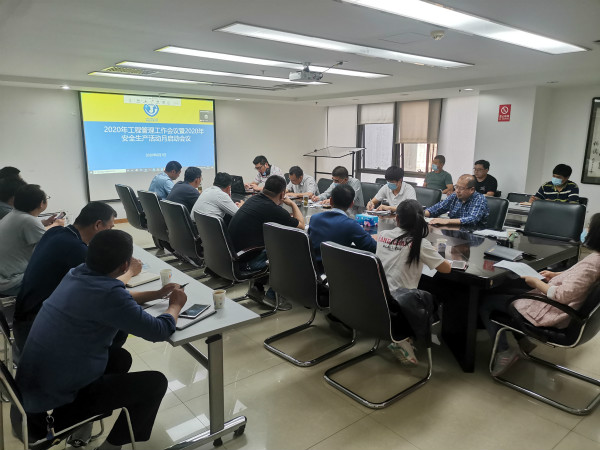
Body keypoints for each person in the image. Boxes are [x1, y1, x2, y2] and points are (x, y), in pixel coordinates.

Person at [12, 229, 186, 450]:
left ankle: (84, 421)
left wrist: (157, 294)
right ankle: (108, 447)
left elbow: (118, 295)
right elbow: (159, 331)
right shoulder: (109, 294)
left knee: (120, 358)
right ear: (125, 266)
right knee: (155, 383)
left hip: (31, 395)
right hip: (45, 418)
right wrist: (175, 305)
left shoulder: (76, 273)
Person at [13, 201, 143, 353]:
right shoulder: (77, 251)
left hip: (24, 315)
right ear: (98, 225)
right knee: (117, 327)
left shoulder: (57, 232)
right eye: (109, 228)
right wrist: (130, 271)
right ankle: (94, 362)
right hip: (36, 328)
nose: (110, 233)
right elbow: (108, 290)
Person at [480, 213, 600, 376]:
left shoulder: (592, 264)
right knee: (505, 292)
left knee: (488, 302)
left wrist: (537, 283)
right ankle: (523, 341)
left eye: (589, 227)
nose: (586, 229)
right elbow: (579, 278)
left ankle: (504, 352)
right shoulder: (596, 259)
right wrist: (556, 275)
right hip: (563, 307)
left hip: (555, 311)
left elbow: (563, 295)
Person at [376, 199, 452, 364]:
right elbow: (446, 269)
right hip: (401, 305)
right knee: (439, 292)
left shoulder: (383, 235)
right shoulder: (420, 243)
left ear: (397, 219)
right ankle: (405, 338)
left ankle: (405, 339)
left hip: (378, 298)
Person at [228, 176, 304, 301]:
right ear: (282, 194)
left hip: (233, 255)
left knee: (274, 242)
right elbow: (301, 226)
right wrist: (292, 204)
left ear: (264, 188)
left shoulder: (253, 199)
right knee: (291, 249)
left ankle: (258, 286)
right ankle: (273, 296)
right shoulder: (273, 209)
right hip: (244, 261)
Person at [0, 184, 64, 296]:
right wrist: (57, 225)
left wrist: (44, 223)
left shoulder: (12, 215)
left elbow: (28, 227)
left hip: (4, 278)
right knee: (60, 269)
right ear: (41, 203)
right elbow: (50, 242)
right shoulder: (28, 221)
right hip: (13, 282)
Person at [308, 184, 377, 271]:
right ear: (351, 204)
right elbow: (372, 247)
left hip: (313, 269)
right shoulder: (351, 225)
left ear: (331, 201)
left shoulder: (314, 218)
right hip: (337, 272)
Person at [425, 174, 489, 227]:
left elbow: (473, 219)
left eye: (461, 188)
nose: (457, 191)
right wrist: (421, 213)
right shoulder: (454, 196)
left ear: (471, 190)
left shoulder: (479, 199)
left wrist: (447, 221)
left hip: (473, 233)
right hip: (454, 230)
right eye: (456, 187)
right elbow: (437, 208)